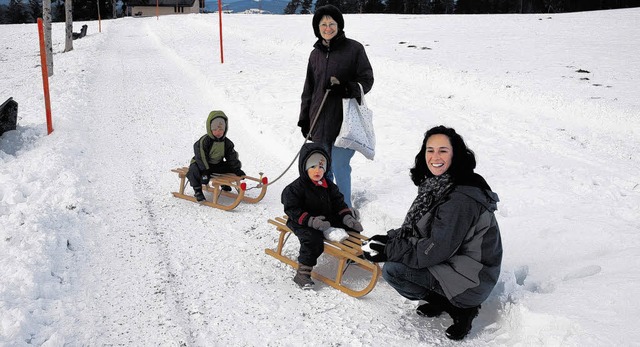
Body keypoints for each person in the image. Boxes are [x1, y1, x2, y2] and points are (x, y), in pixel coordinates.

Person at [362, 126, 502, 341]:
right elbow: (422, 229)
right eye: (430, 150)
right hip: (454, 262)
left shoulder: (460, 198)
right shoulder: (439, 186)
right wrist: (389, 239)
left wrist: (389, 251)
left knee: (394, 270)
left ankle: (463, 309)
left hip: (473, 278)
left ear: (455, 154)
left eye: (443, 150)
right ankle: (442, 301)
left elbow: (434, 250)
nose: (435, 157)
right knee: (400, 261)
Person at [297, 4, 374, 209]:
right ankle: (327, 206)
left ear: (339, 25)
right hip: (319, 119)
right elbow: (308, 89)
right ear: (317, 28)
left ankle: (345, 209)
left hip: (344, 122)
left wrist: (347, 88)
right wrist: (305, 119)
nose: (328, 28)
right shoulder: (315, 55)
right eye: (323, 24)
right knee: (323, 167)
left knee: (339, 165)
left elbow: (367, 80)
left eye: (332, 23)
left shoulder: (354, 49)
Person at [281, 142, 363, 289]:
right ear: (305, 167)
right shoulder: (295, 188)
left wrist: (347, 217)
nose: (317, 170)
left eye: (321, 166)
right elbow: (292, 208)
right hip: (302, 221)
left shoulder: (329, 186)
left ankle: (355, 253)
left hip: (325, 217)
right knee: (312, 239)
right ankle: (303, 273)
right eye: (312, 166)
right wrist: (310, 221)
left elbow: (339, 203)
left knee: (351, 225)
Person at [186, 110, 245, 202]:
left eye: (221, 129)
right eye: (215, 130)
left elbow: (231, 157)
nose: (218, 132)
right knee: (193, 170)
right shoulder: (204, 141)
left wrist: (237, 170)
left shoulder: (227, 143)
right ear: (210, 129)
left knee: (230, 166)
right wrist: (205, 171)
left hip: (216, 165)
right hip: (202, 165)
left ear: (225, 129)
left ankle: (224, 183)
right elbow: (201, 156)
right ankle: (197, 190)